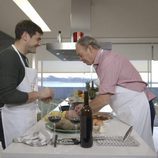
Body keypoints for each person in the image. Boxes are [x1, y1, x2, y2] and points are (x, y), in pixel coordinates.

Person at [75, 36, 156, 150]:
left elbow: (104, 98)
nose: (80, 59)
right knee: (130, 147)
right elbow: (107, 93)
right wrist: (86, 106)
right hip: (130, 109)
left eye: (80, 54)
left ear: (89, 48)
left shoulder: (108, 61)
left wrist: (82, 112)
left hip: (139, 108)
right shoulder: (101, 62)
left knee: (139, 148)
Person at [0, 20, 54, 149]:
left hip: (24, 120)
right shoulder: (9, 57)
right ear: (25, 36)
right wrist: (39, 94)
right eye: (37, 39)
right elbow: (7, 96)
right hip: (12, 121)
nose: (39, 43)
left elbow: (23, 88)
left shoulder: (23, 58)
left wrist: (39, 97)